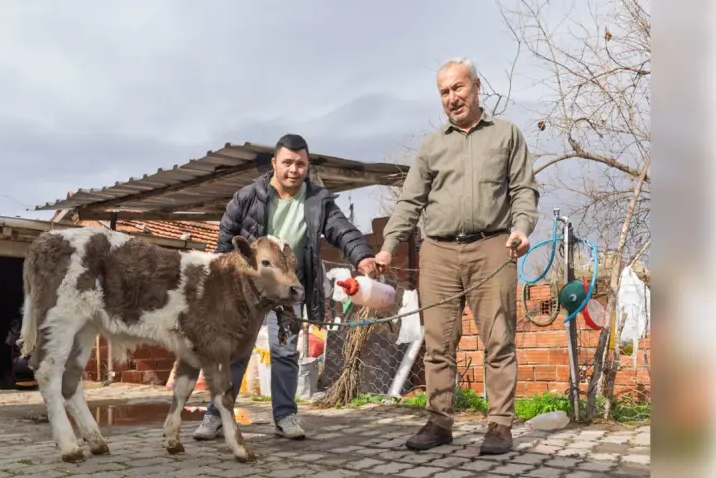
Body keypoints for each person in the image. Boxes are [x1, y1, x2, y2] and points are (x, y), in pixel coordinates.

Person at [375, 57, 539, 455]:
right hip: (439, 253)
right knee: (438, 344)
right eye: (444, 92)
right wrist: (387, 247)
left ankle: (499, 425)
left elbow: (523, 191)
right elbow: (410, 201)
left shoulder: (507, 135)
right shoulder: (432, 146)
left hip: (492, 247)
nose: (452, 98)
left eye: (458, 88)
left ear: (477, 87)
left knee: (498, 340)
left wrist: (522, 228)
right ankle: (439, 422)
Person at [194, 133, 378, 440]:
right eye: (288, 163)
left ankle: (285, 416)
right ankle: (216, 415)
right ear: (274, 163)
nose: (294, 170)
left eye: (301, 164)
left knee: (284, 351)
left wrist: (362, 255)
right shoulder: (248, 196)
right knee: (236, 353)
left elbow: (342, 231)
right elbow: (226, 236)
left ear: (307, 166)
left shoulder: (318, 200)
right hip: (248, 290)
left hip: (289, 289)